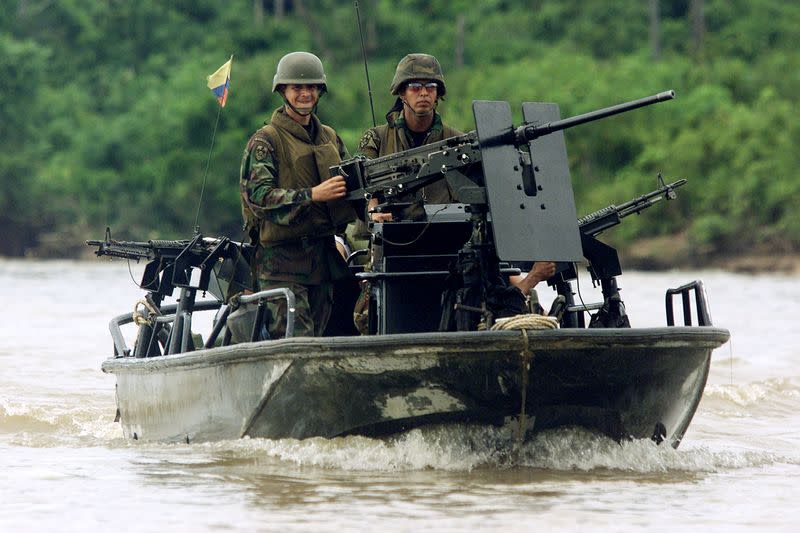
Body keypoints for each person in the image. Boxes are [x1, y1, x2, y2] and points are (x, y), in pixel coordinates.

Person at [239, 51, 355, 338]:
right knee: (296, 344)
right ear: (283, 91)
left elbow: (354, 185)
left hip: (323, 262)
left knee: (322, 341)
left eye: (312, 87)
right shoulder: (266, 140)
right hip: (281, 265)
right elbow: (260, 199)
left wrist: (372, 206)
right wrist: (312, 195)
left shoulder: (329, 137)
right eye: (297, 88)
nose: (305, 93)